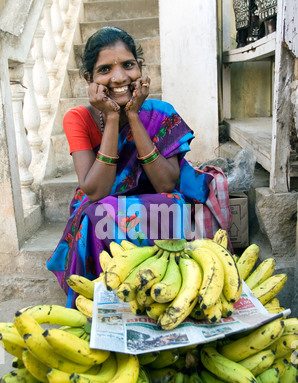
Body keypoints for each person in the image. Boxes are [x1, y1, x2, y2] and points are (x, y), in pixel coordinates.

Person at [47, 26, 231, 308]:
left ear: (140, 68)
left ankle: (161, 291)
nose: (119, 77)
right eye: (105, 69)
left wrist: (133, 115)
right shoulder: (78, 119)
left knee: (170, 205)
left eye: (128, 65)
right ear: (89, 79)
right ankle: (111, 299)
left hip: (156, 199)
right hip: (102, 202)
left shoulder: (161, 112)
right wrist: (111, 118)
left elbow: (166, 184)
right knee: (99, 214)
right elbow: (95, 190)